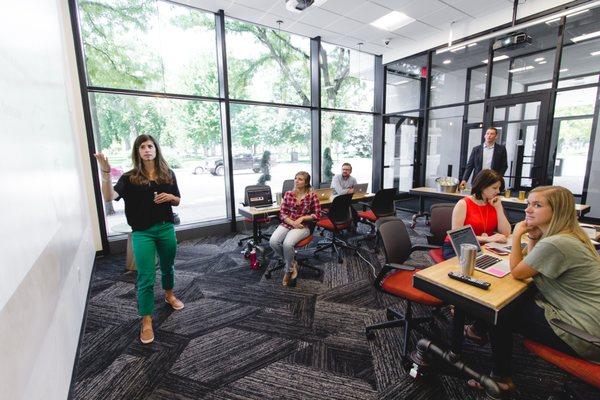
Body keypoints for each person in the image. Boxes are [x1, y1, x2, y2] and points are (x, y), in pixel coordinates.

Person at [467, 186, 600, 393]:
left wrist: (519, 232)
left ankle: (500, 378)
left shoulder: (556, 243)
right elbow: (531, 263)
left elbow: (519, 272)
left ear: (557, 211)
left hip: (584, 332)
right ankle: (478, 329)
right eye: (528, 204)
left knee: (500, 310)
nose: (528, 210)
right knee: (516, 296)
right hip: (591, 320)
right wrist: (534, 236)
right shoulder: (571, 234)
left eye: (537, 205)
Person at [94, 134, 184, 345]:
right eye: (142, 147)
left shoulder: (167, 174)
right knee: (146, 275)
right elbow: (109, 197)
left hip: (166, 228)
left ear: (156, 149)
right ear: (137, 152)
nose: (147, 150)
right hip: (142, 232)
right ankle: (146, 319)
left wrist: (170, 198)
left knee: (168, 266)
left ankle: (169, 295)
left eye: (150, 146)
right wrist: (105, 172)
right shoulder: (129, 177)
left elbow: (178, 199)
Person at [442, 169, 511, 259]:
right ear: (482, 186)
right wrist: (486, 239)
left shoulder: (494, 203)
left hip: (484, 246)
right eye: (494, 188)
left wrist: (499, 207)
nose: (498, 191)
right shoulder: (463, 204)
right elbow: (457, 236)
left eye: (499, 188)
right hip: (459, 247)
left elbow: (506, 232)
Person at [270, 171, 321, 287]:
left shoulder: (312, 195)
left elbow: (318, 214)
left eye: (300, 179)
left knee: (287, 244)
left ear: (306, 182)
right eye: (295, 178)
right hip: (288, 223)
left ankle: (288, 271)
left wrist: (303, 218)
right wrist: (292, 222)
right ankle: (292, 263)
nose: (296, 181)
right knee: (273, 242)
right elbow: (282, 213)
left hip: (303, 226)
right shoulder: (288, 194)